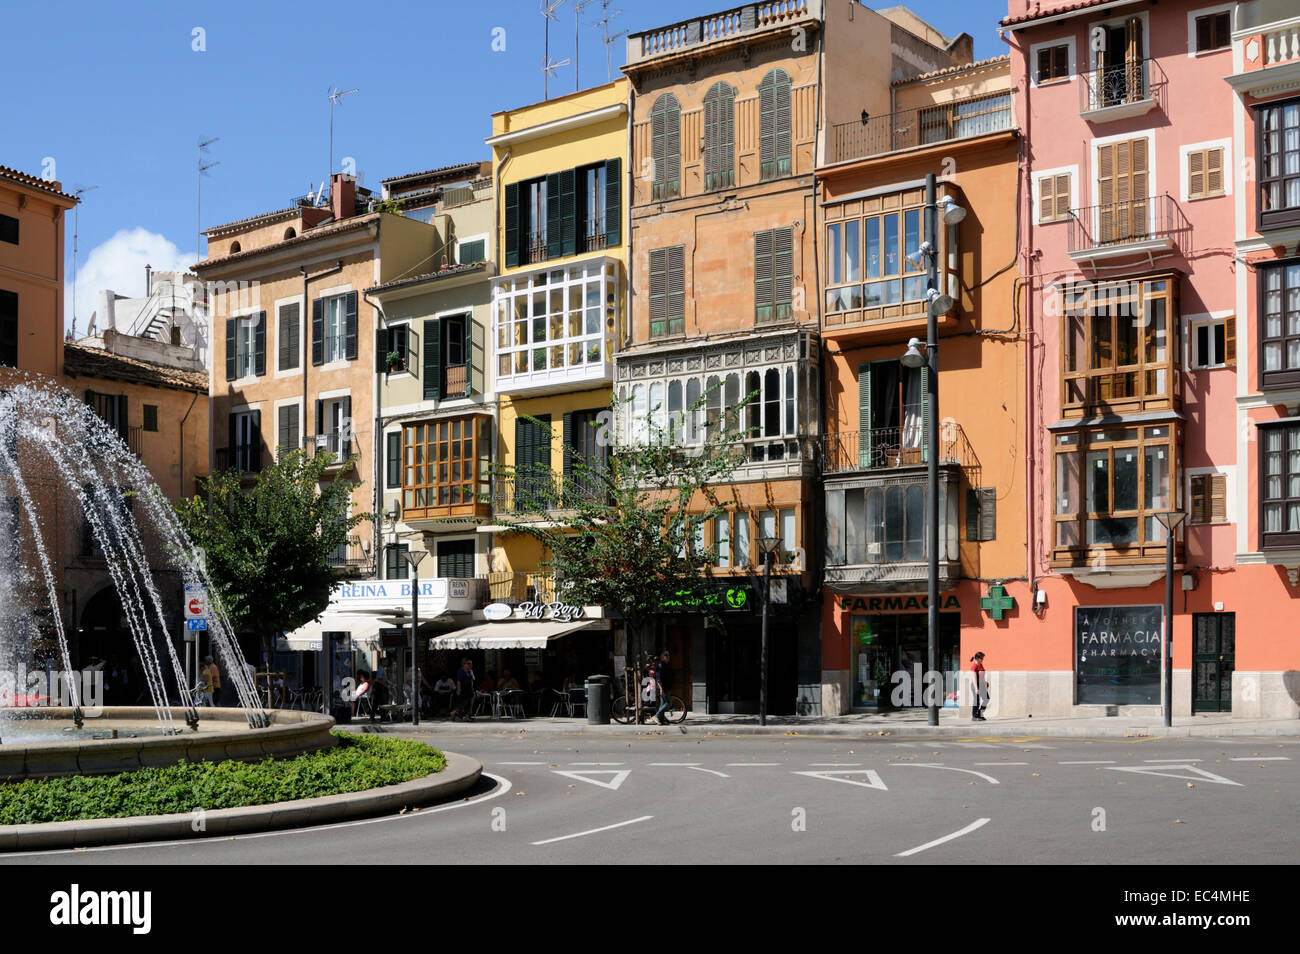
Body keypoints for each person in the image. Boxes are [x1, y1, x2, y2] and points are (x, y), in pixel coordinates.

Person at [652, 650, 673, 725]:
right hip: (662, 688)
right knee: (668, 703)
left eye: (668, 655)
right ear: (663, 657)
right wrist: (661, 688)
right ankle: (656, 716)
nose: (668, 657)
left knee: (662, 703)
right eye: (666, 655)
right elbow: (658, 679)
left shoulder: (665, 665)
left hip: (666, 687)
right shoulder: (660, 666)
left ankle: (660, 720)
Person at [970, 651, 988, 721]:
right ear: (977, 658)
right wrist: (976, 689)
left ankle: (980, 714)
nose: (982, 660)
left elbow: (982, 675)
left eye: (983, 658)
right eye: (982, 658)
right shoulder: (974, 666)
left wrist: (985, 683)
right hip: (975, 685)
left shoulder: (980, 665)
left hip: (981, 685)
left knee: (986, 699)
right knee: (976, 701)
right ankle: (974, 716)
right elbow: (974, 678)